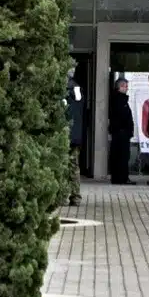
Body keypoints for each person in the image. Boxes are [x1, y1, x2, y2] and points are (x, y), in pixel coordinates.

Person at [108, 75, 135, 185]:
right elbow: (122, 116)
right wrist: (126, 129)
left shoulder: (118, 99)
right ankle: (122, 178)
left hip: (120, 132)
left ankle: (118, 178)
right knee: (122, 156)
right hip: (121, 132)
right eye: (125, 86)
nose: (127, 88)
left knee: (119, 155)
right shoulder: (119, 100)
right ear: (120, 87)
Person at [66, 72, 85, 207]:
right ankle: (76, 197)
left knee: (62, 166)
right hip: (76, 136)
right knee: (74, 167)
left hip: (64, 134)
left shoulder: (63, 92)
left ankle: (61, 196)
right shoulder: (78, 90)